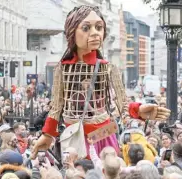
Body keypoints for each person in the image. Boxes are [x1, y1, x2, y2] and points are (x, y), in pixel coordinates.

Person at [32, 5, 170, 159]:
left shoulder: (109, 68)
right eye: (86, 28)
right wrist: (48, 134)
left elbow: (122, 103)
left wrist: (138, 110)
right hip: (75, 136)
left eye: (99, 27)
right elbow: (56, 107)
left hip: (102, 135)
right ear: (72, 32)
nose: (95, 33)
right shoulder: (62, 69)